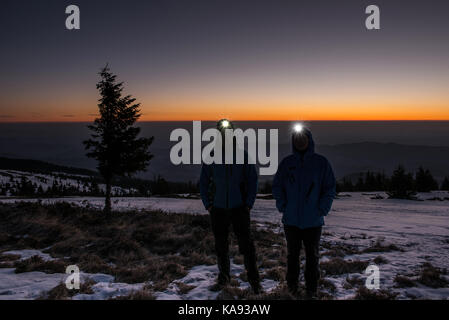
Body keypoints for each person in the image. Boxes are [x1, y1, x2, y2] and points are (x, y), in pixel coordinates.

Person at [272, 125, 336, 299]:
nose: (300, 141)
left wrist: (323, 208)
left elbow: (329, 188)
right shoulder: (287, 163)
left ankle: (311, 289)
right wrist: (282, 205)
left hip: (313, 220)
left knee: (312, 256)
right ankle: (292, 288)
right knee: (292, 256)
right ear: (293, 141)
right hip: (291, 220)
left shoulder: (320, 163)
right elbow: (277, 185)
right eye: (297, 138)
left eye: (303, 138)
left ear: (309, 140)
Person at [200, 119, 261, 294]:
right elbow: (203, 182)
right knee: (221, 246)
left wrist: (248, 204)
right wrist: (208, 204)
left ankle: (254, 281)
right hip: (218, 209)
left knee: (247, 247)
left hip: (239, 208)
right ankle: (224, 279)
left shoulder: (242, 155)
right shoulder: (211, 155)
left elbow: (252, 180)